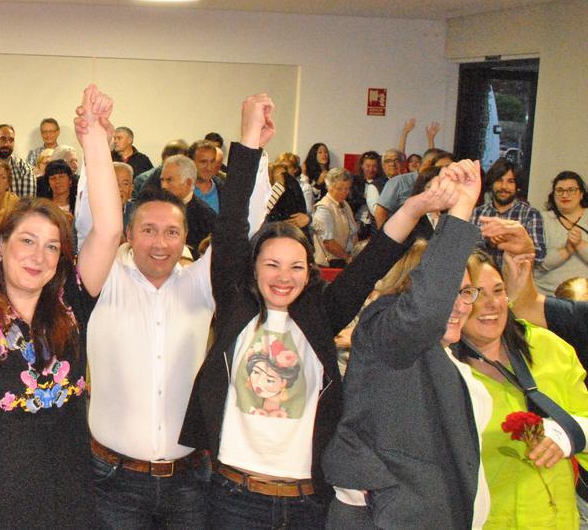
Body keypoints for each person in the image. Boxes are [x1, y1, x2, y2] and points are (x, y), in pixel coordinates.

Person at [180, 94, 419, 529]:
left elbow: (371, 264)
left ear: (310, 272)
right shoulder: (235, 307)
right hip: (234, 497)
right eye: (271, 264)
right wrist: (249, 136)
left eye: (296, 266)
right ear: (253, 269)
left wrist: (417, 206)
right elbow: (231, 222)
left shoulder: (321, 316)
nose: (283, 276)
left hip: (307, 501)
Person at [0, 85, 121, 528]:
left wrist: (94, 139)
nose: (39, 256)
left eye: (52, 247)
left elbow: (108, 232)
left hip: (63, 492)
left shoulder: (71, 302)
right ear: (0, 248)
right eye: (27, 241)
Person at [76, 142, 270, 528]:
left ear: (185, 236)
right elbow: (89, 223)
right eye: (149, 230)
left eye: (171, 232)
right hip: (113, 479)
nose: (160, 244)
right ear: (128, 232)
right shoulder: (103, 283)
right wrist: (94, 141)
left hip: (190, 481)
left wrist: (255, 147)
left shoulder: (200, 284)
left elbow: (242, 227)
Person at [323, 160, 494, 529]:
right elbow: (425, 313)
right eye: (450, 291)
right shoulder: (383, 332)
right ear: (406, 291)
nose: (460, 305)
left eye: (466, 292)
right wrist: (461, 209)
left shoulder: (451, 357)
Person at [454, 249, 588, 529]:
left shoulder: (548, 347)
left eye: (498, 290)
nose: (491, 304)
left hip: (558, 521)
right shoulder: (441, 369)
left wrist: (572, 432)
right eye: (476, 293)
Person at [472, 158, 547, 263]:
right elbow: (466, 251)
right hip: (482, 278)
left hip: (516, 277)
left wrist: (513, 243)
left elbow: (540, 256)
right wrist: (489, 243)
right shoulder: (478, 213)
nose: (504, 186)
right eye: (499, 180)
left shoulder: (530, 214)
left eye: (510, 181)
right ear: (491, 183)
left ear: (517, 186)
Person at [535, 171, 588, 296]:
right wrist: (566, 250)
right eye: (559, 190)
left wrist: (580, 244)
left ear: (581, 194)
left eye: (571, 190)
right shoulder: (540, 219)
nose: (565, 195)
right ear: (553, 195)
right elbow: (538, 262)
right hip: (547, 295)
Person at [312, 167, 359, 267]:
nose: (344, 192)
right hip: (329, 264)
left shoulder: (345, 204)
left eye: (347, 188)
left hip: (343, 260)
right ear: (329, 187)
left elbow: (354, 233)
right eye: (339, 188)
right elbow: (328, 243)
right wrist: (347, 258)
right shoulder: (323, 208)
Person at [266, 156, 310, 232]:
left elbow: (302, 215)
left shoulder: (291, 184)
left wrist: (309, 219)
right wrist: (280, 185)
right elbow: (263, 210)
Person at [190, 139, 225, 213]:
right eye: (203, 162)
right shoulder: (179, 191)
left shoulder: (224, 191)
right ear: (191, 162)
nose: (209, 167)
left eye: (212, 161)